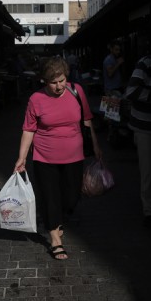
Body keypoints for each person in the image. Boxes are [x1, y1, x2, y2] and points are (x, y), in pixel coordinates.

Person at [14, 57, 102, 260]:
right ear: (44, 81)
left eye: (61, 80)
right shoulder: (36, 99)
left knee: (72, 196)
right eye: (53, 82)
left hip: (74, 154)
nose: (58, 86)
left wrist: (96, 145)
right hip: (45, 156)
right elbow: (29, 129)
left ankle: (58, 218)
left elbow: (87, 120)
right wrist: (22, 157)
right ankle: (54, 237)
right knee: (50, 197)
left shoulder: (76, 91)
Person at [123, 47, 151, 228]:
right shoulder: (146, 63)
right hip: (145, 127)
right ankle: (149, 211)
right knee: (148, 172)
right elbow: (131, 92)